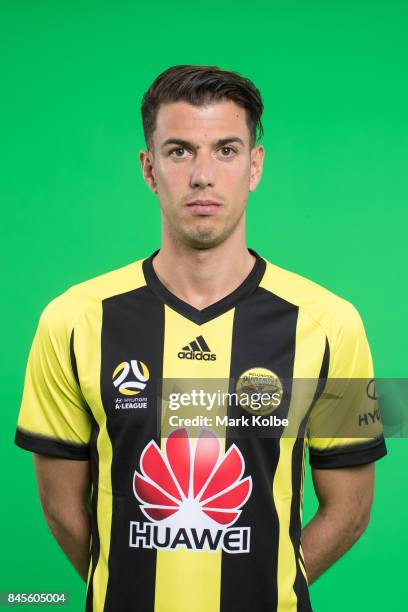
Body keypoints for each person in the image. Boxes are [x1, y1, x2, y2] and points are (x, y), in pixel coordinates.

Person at [15, 65, 387, 612]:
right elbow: (60, 506)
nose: (203, 175)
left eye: (228, 150)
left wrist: (266, 585)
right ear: (149, 168)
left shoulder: (335, 322)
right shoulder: (70, 319)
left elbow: (352, 509)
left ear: (255, 166)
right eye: (180, 151)